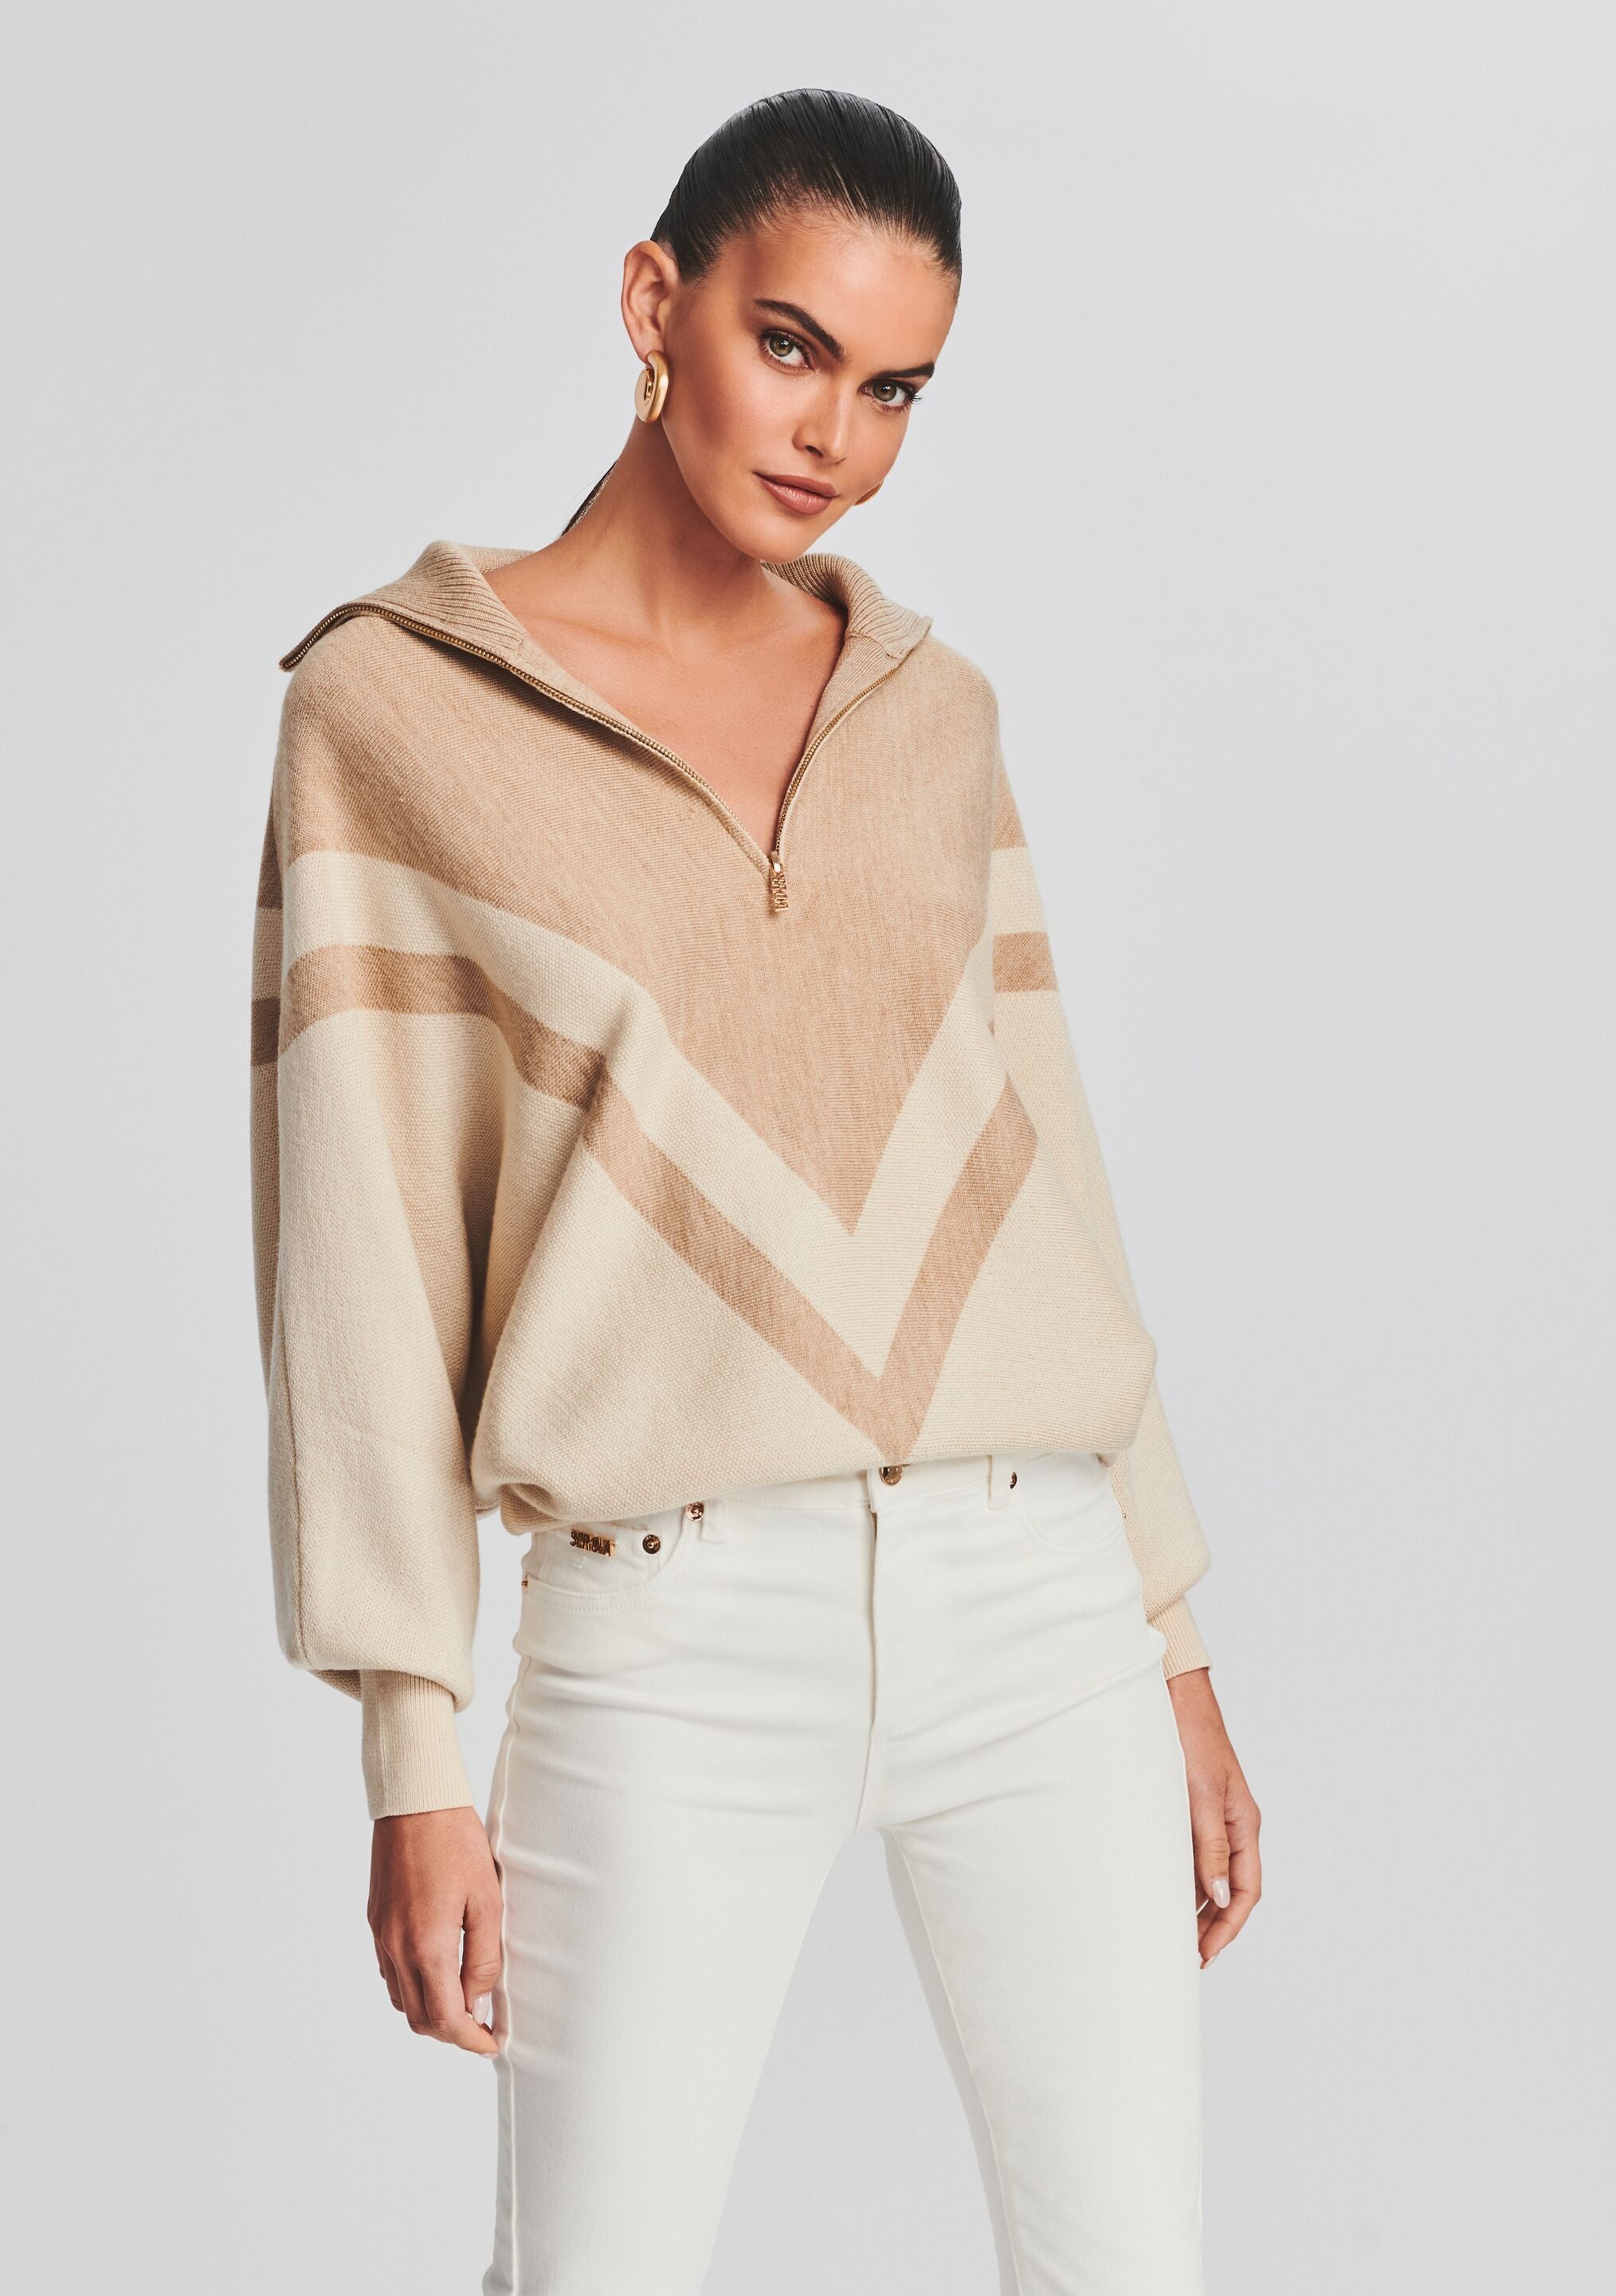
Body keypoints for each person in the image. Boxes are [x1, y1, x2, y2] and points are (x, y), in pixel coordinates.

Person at [250, 85, 1261, 2296]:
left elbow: (1045, 1161)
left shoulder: (931, 710)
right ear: (655, 301)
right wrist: (411, 1742)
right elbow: (359, 1260)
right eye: (789, 344)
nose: (833, 434)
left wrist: (1168, 1633)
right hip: (671, 1620)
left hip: (1039, 1593)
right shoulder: (391, 714)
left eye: (894, 387)